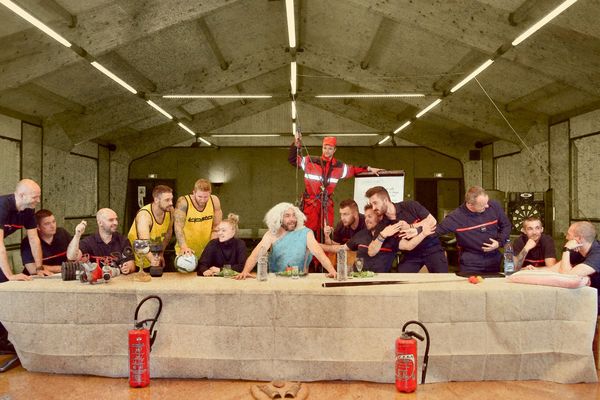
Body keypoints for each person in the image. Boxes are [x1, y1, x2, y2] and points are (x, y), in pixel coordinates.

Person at [288, 136, 383, 242]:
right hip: (310, 204)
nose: (327, 151)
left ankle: (322, 256)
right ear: (322, 147)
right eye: (325, 147)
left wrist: (368, 168)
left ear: (334, 150)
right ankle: (308, 257)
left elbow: (354, 170)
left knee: (326, 232)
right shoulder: (310, 161)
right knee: (308, 231)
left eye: (330, 148)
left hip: (325, 205)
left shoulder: (339, 167)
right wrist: (295, 145)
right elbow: (293, 160)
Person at [235, 203, 337, 279]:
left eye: (294, 215)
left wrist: (332, 271)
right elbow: (256, 254)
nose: (292, 219)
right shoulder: (271, 234)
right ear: (278, 218)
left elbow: (319, 253)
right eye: (287, 216)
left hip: (300, 280)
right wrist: (245, 271)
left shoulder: (306, 233)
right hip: (275, 280)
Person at [366, 186, 448, 273]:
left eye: (375, 203)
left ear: (385, 200)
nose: (373, 208)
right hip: (412, 254)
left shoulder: (410, 206)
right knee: (402, 276)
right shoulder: (383, 225)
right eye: (372, 205)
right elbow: (371, 252)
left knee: (441, 278)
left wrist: (411, 227)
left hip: (432, 248)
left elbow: (432, 221)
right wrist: (382, 235)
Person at [436, 186, 511, 275]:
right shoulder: (455, 218)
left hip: (494, 260)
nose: (487, 206)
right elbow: (434, 233)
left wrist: (499, 242)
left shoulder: (494, 206)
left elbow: (506, 225)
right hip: (470, 263)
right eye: (483, 205)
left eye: (487, 202)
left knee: (492, 287)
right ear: (470, 204)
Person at [322, 204, 400, 273]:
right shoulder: (361, 234)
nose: (366, 219)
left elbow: (407, 246)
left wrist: (411, 227)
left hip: (380, 280)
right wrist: (316, 245)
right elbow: (341, 248)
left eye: (369, 216)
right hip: (357, 277)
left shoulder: (391, 235)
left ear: (380, 217)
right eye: (365, 217)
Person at [0, 179, 46, 282]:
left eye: (39, 196)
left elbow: (34, 239)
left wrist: (39, 268)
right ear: (21, 196)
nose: (38, 200)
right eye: (34, 197)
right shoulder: (2, 206)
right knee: (5, 280)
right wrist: (10, 276)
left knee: (4, 283)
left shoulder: (28, 209)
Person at [66, 208, 134, 274]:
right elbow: (72, 257)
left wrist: (128, 268)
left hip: (119, 282)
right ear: (100, 223)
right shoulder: (89, 241)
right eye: (111, 220)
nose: (116, 222)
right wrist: (77, 235)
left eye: (116, 219)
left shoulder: (123, 240)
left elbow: (132, 264)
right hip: (96, 282)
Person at [550, 222, 600, 311]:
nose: (566, 238)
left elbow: (568, 277)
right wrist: (533, 270)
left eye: (569, 235)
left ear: (579, 238)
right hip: (591, 295)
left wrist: (566, 250)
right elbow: (555, 269)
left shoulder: (597, 254)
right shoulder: (578, 251)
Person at [174, 179, 222, 261]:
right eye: (200, 196)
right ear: (194, 192)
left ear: (210, 193)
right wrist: (184, 246)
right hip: (186, 250)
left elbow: (216, 227)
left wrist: (210, 248)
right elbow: (178, 227)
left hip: (206, 249)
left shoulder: (214, 201)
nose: (203, 200)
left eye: (206, 197)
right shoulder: (183, 202)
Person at [127, 185, 174, 270]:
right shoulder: (144, 216)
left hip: (154, 253)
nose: (171, 203)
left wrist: (161, 254)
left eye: (171, 199)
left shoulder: (170, 210)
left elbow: (168, 234)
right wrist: (153, 260)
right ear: (156, 200)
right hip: (138, 257)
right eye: (167, 200)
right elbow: (142, 243)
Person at [20, 209, 72, 275]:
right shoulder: (28, 242)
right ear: (38, 227)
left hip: (60, 276)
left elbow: (75, 257)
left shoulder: (63, 233)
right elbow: (32, 269)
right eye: (47, 224)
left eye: (54, 221)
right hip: (36, 279)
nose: (52, 226)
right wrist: (64, 268)